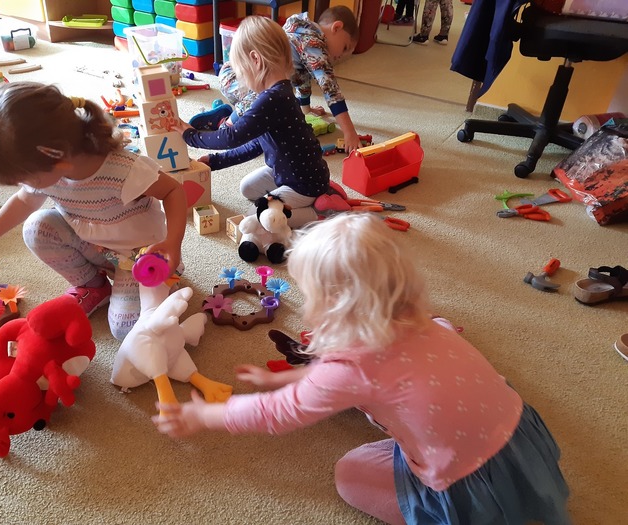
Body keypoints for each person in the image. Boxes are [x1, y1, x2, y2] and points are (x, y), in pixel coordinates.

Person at [152, 213, 571, 525]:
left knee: (350, 473)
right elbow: (343, 376)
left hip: (469, 480)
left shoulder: (354, 367)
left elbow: (277, 413)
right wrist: (285, 377)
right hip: (521, 442)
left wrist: (205, 416)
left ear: (331, 303)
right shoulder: (428, 323)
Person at [0, 81, 187, 341]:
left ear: (57, 157)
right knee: (37, 228)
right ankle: (94, 286)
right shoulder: (50, 167)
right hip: (95, 247)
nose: (23, 185)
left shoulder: (124, 170)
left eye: (24, 178)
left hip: (141, 257)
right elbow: (23, 202)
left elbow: (174, 191)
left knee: (126, 330)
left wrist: (172, 243)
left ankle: (164, 283)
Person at [174, 16, 330, 229]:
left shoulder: (273, 99)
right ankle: (298, 204)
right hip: (285, 173)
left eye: (242, 73)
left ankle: (318, 214)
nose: (243, 81)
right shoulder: (277, 94)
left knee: (256, 218)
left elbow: (232, 136)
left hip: (303, 185)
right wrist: (216, 161)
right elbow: (255, 145)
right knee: (247, 187)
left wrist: (192, 136)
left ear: (255, 60)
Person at [214, 6, 362, 153]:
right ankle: (227, 126)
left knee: (280, 108)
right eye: (345, 47)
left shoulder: (303, 33)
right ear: (336, 27)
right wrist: (349, 132)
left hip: (241, 75)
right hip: (237, 77)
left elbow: (301, 78)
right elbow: (330, 89)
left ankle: (223, 114)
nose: (341, 56)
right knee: (265, 98)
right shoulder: (313, 43)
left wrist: (306, 109)